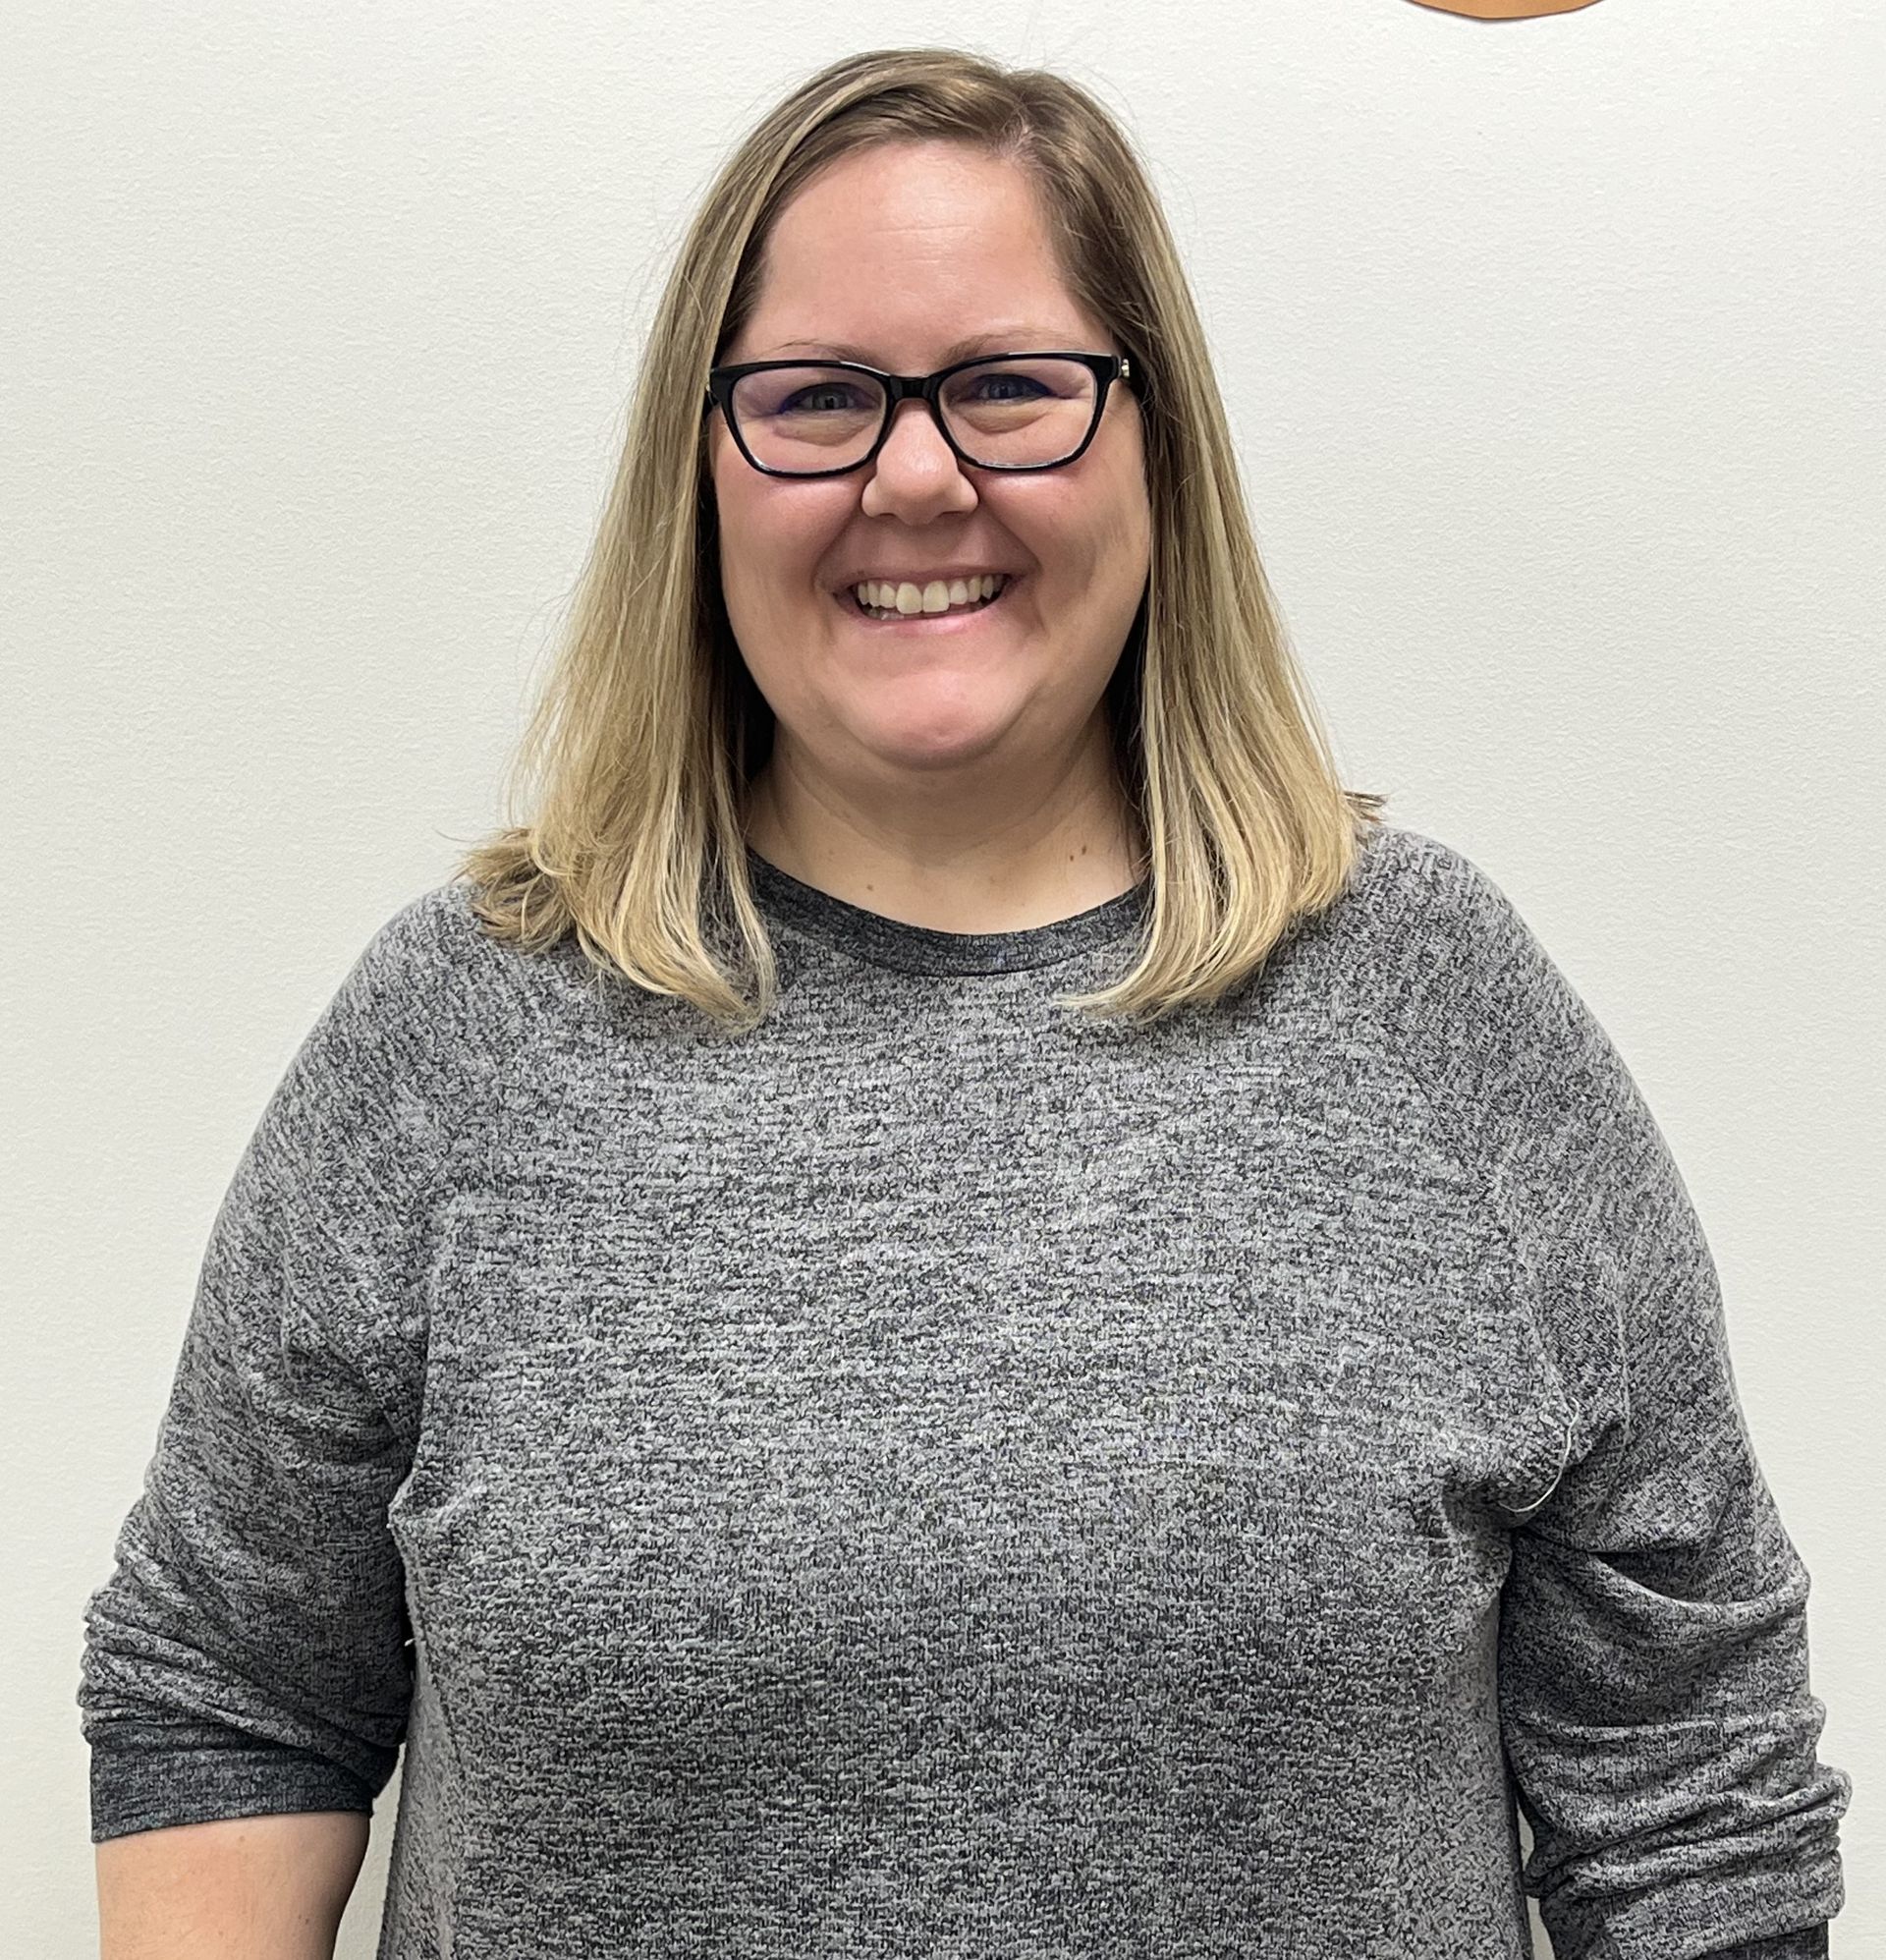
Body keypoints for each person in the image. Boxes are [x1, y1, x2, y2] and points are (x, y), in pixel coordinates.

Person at [80, 45, 1850, 1960]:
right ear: (706, 467)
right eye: (818, 399)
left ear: (1153, 445)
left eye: (1012, 387)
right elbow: (227, 1688)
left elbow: (1689, 1777)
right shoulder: (463, 1031)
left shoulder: (1434, 1012)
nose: (915, 473)